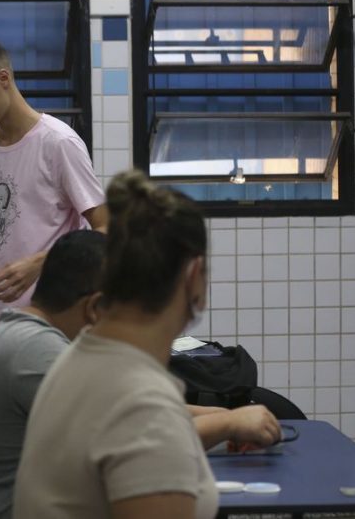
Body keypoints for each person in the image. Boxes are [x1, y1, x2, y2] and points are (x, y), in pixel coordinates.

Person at [0, 230, 280, 519]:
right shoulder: (34, 352)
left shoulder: (25, 335)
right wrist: (229, 425)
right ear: (95, 308)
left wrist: (226, 414)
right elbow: (143, 436)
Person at [14, 170, 282, 519]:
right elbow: (144, 424)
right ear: (193, 276)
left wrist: (226, 420)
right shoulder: (143, 404)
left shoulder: (76, 362)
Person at [0, 37, 108, 341]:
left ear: (3, 78)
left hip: (53, 322)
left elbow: (107, 230)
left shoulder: (58, 143)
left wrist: (42, 263)